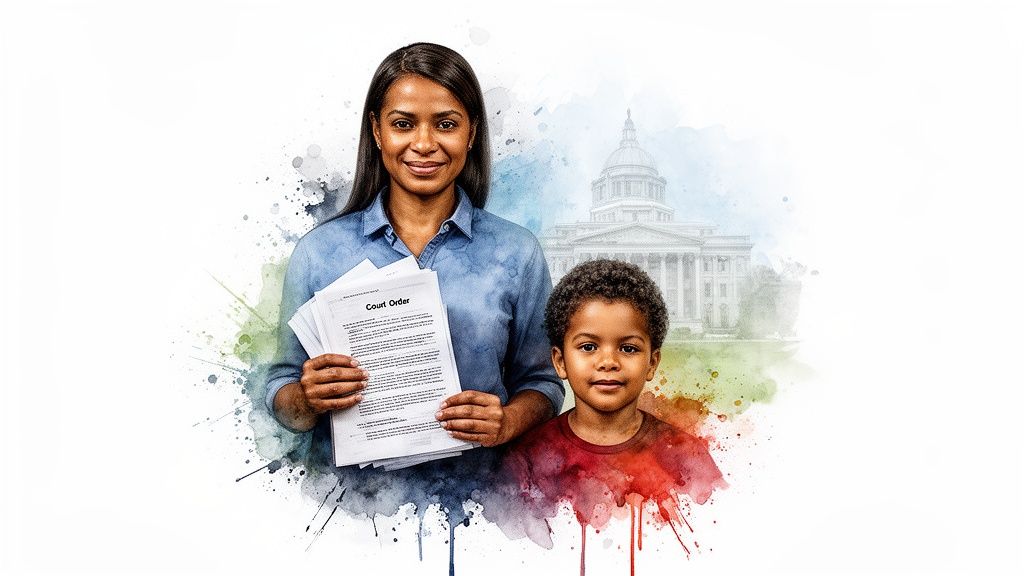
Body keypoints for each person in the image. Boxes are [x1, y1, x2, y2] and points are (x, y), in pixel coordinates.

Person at [264, 42, 564, 482]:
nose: (424, 144)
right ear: (377, 131)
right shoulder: (319, 253)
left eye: (445, 124)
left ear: (472, 133)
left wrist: (509, 421)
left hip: (484, 501)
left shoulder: (516, 252)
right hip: (355, 508)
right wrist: (306, 400)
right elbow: (280, 391)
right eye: (403, 124)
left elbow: (544, 383)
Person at [494, 259, 726, 543]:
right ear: (560, 361)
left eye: (628, 348)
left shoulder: (687, 457)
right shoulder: (526, 461)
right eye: (588, 347)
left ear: (652, 363)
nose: (608, 362)